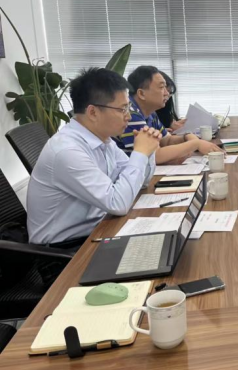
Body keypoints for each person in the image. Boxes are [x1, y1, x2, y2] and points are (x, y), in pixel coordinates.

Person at [26, 68, 161, 247]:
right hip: (65, 251)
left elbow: (141, 182)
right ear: (93, 112)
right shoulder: (67, 151)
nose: (128, 116)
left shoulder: (104, 140)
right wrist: (140, 152)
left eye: (128, 107)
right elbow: (118, 203)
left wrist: (148, 152)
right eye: (123, 109)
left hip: (100, 228)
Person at [115, 66, 220, 164]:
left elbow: (166, 140)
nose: (167, 93)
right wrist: (195, 144)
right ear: (142, 94)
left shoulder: (151, 113)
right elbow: (155, 156)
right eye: (161, 87)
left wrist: (186, 136)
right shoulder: (130, 114)